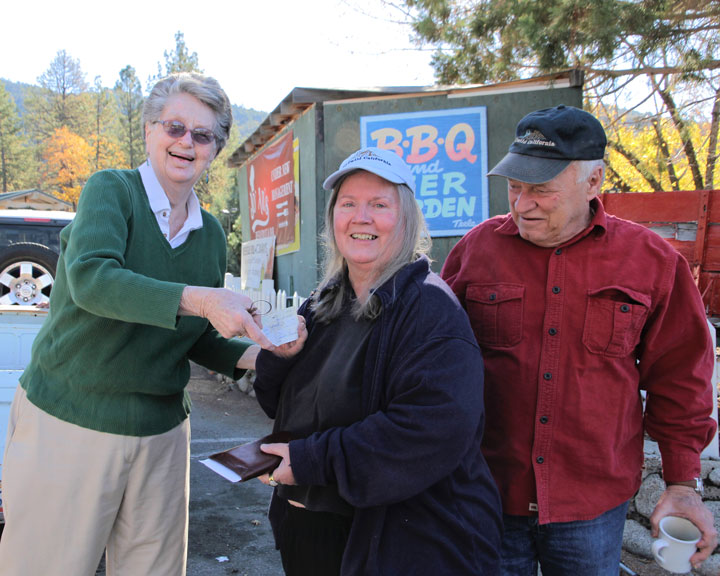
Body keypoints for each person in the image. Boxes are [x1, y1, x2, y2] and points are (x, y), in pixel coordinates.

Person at [0, 72, 275, 576]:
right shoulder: (112, 191)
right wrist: (201, 298)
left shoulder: (210, 235)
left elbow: (198, 335)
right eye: (174, 126)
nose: (185, 143)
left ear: (215, 149)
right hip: (69, 420)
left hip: (161, 436)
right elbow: (93, 280)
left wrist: (264, 353)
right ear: (149, 130)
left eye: (203, 135)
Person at [441, 105, 719, 575]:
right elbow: (433, 365)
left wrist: (681, 483)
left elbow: (681, 377)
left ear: (593, 183)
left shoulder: (651, 261)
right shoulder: (475, 251)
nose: (522, 203)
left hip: (592, 503)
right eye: (515, 186)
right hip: (487, 493)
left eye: (542, 190)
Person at [252, 147, 503, 576]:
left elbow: (428, 431)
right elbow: (279, 406)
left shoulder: (430, 309)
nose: (361, 217)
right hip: (312, 530)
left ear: (405, 220)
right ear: (333, 219)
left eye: (379, 205)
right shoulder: (324, 302)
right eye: (348, 204)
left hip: (396, 545)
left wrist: (312, 460)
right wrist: (279, 359)